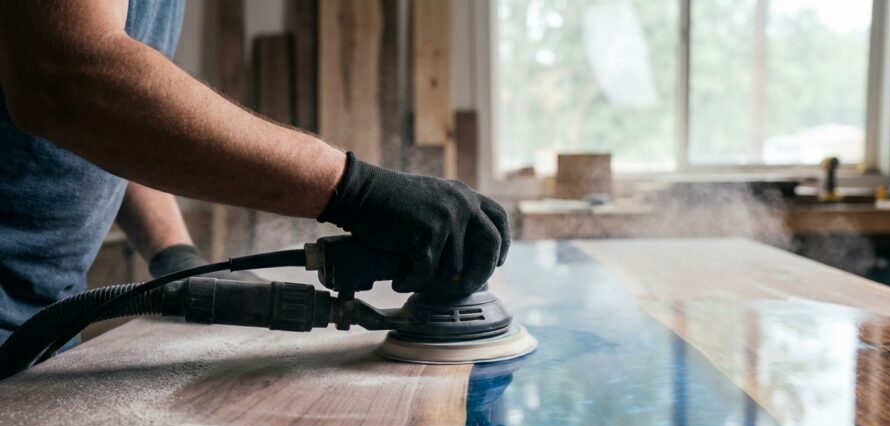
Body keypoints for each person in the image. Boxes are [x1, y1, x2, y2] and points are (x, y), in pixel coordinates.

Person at [0, 0, 509, 345]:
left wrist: (176, 257)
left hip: (45, 323)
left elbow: (108, 127)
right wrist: (358, 191)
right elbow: (65, 79)